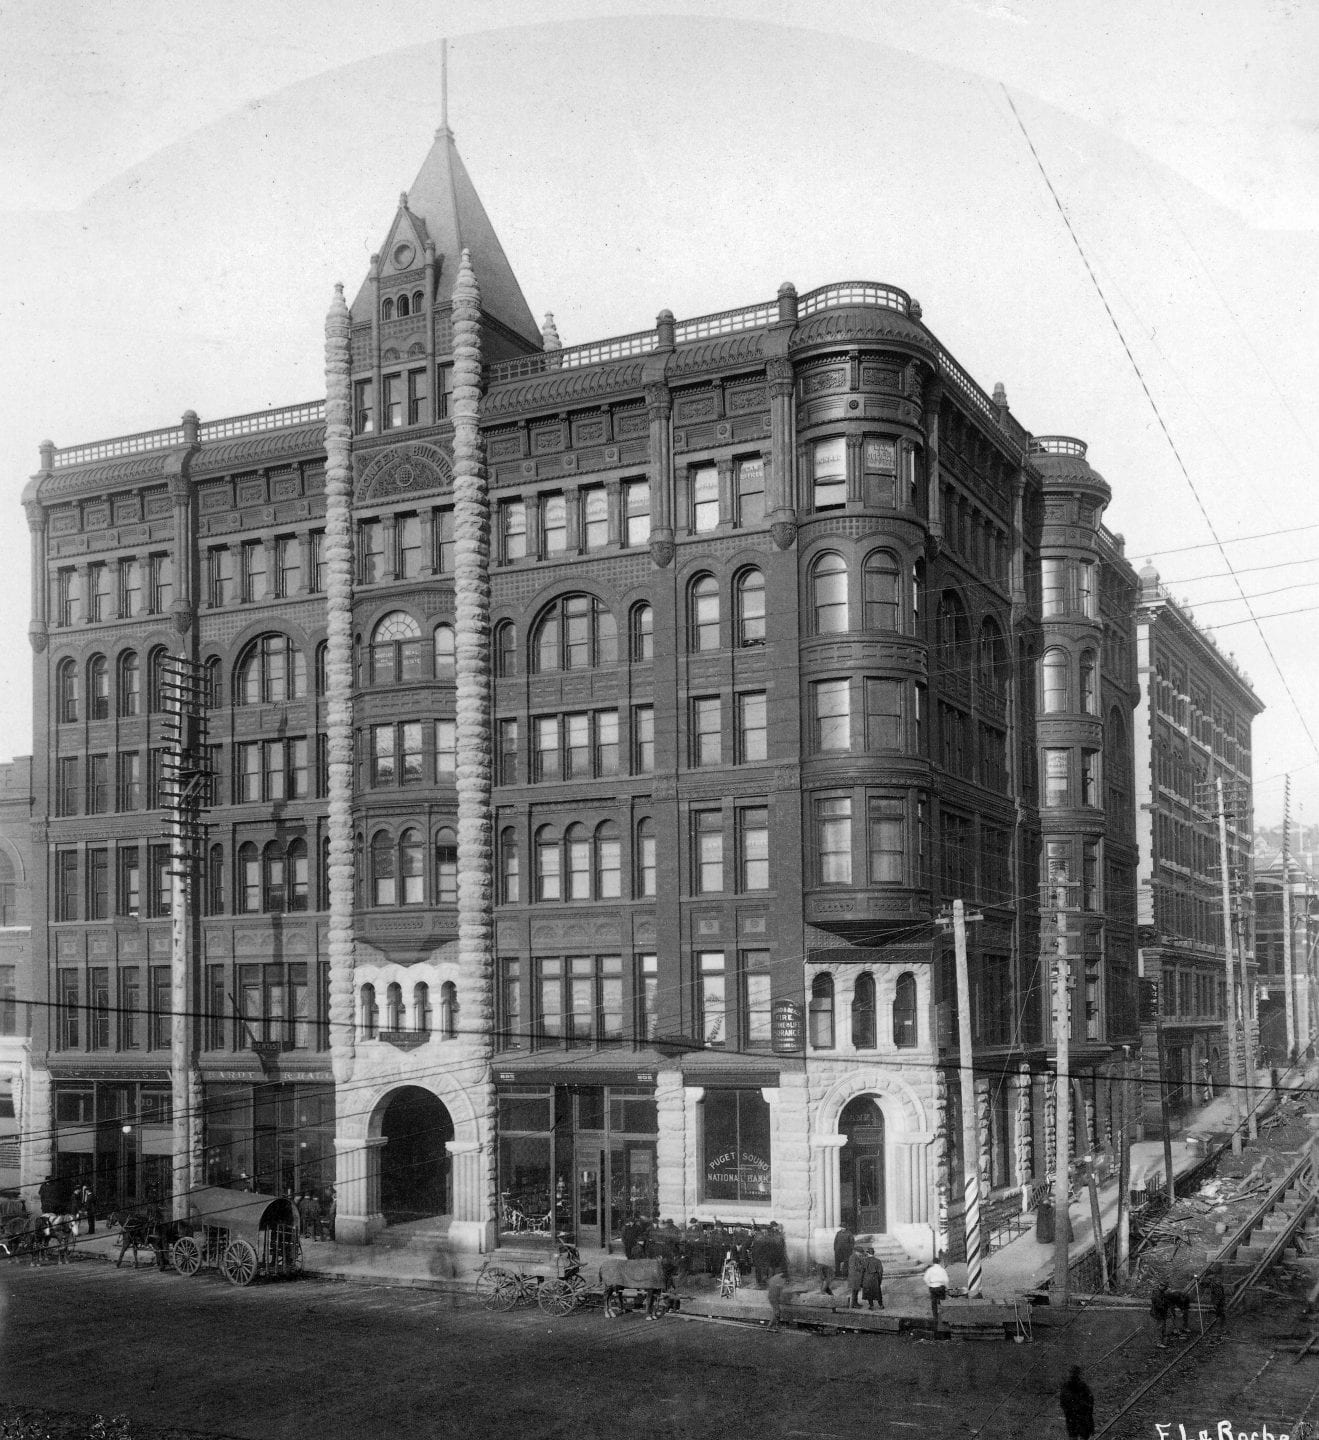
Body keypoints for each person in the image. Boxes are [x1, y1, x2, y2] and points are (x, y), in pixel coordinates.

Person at [1058, 1366, 1095, 1440]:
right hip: (1080, 1418)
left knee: (1074, 1435)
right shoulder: (1083, 1386)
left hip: (1073, 1418)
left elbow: (1063, 1403)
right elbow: (1090, 1402)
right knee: (1080, 1435)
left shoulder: (1066, 1387)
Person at [924, 1253, 950, 1324]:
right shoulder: (942, 1270)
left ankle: (935, 1317)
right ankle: (943, 1317)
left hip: (933, 1287)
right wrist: (947, 1288)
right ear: (939, 1262)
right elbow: (946, 1280)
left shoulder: (930, 1270)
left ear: (933, 1262)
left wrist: (930, 1285)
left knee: (934, 1303)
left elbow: (926, 1278)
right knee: (942, 1302)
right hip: (941, 1287)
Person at [766, 1267, 789, 1331]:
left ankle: (776, 1326)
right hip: (774, 1297)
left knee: (777, 1311)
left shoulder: (776, 1277)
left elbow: (769, 1283)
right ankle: (770, 1326)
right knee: (776, 1312)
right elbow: (782, 1290)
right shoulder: (781, 1279)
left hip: (771, 1296)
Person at [847, 1244, 867, 1309]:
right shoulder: (853, 1257)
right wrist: (861, 1267)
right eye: (860, 1252)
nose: (860, 1254)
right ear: (856, 1252)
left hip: (857, 1277)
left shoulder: (857, 1257)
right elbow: (853, 1267)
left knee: (856, 1291)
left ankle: (855, 1303)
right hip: (854, 1277)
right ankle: (853, 1304)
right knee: (854, 1291)